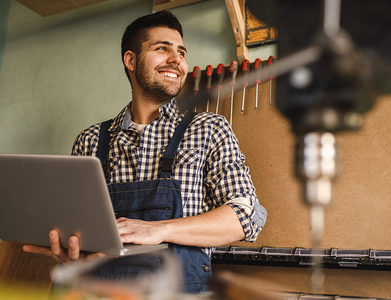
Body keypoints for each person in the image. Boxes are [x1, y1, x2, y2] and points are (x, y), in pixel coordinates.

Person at [23, 10, 267, 293]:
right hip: (100, 293)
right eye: (161, 48)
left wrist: (159, 229)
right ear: (131, 60)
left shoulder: (209, 129)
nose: (177, 59)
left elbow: (245, 215)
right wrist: (71, 249)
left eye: (181, 52)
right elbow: (75, 226)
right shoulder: (89, 141)